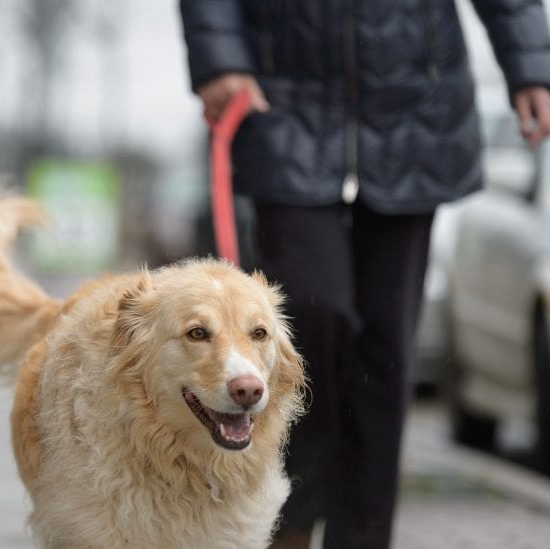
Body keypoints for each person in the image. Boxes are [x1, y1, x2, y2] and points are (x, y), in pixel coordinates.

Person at [179, 1, 550, 548]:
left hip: (415, 108)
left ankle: (364, 536)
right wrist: (218, 59)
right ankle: (289, 519)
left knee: (386, 344)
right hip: (285, 96)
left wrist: (532, 66)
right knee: (307, 318)